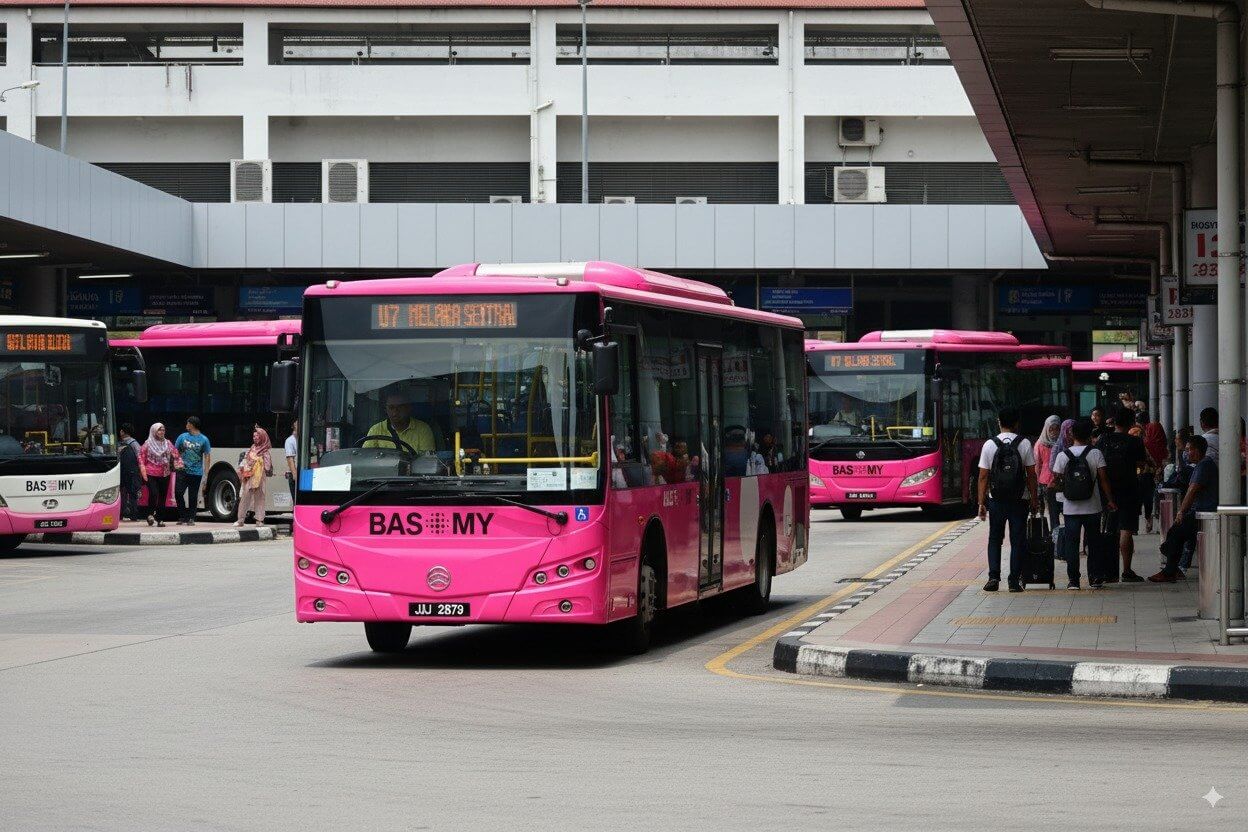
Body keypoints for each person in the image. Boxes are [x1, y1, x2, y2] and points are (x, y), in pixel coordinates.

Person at [976, 407, 1039, 593]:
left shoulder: (989, 444)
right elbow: (1031, 475)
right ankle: (1014, 581)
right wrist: (1034, 499)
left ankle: (994, 577)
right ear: (1016, 423)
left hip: (996, 499)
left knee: (995, 538)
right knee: (1018, 540)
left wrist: (981, 503)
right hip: (1020, 499)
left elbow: (983, 476)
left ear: (999, 422)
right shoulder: (1024, 443)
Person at [1051, 418, 1117, 589]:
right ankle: (1094, 577)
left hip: (1070, 508)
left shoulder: (1062, 455)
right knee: (1094, 543)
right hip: (1093, 507)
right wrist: (1110, 501)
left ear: (1072, 434)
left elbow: (1055, 481)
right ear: (1090, 434)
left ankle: (1073, 580)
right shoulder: (1096, 454)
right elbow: (1104, 480)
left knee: (1072, 544)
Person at [1150, 435, 1218, 582]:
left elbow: (1192, 490)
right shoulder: (1203, 464)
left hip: (1205, 513)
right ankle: (1172, 565)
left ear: (1197, 450)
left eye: (1188, 450)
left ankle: (1170, 570)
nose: (1186, 453)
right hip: (1202, 511)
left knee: (1176, 532)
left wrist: (1181, 512)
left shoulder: (1204, 465)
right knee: (1176, 533)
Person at [1098, 406, 1147, 581]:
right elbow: (1142, 464)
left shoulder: (1103, 439)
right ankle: (1127, 571)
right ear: (1131, 422)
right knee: (1126, 529)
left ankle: (1108, 571)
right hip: (1129, 488)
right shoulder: (1134, 441)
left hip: (1107, 490)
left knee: (1109, 531)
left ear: (1114, 421)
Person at [364, 390, 437, 453]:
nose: (395, 411)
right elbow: (367, 458)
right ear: (386, 410)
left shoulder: (423, 430)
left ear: (408, 408)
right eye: (391, 407)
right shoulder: (376, 430)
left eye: (400, 407)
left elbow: (427, 461)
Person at [140, 423, 181, 528]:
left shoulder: (167, 443)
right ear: (154, 431)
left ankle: (160, 519)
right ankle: (150, 514)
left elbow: (175, 454)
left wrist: (179, 463)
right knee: (153, 493)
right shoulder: (147, 444)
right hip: (150, 473)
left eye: (163, 430)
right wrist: (143, 471)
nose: (162, 432)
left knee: (163, 496)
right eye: (159, 430)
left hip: (164, 473)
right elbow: (141, 457)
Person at [173, 417, 211, 526]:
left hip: (196, 472)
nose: (186, 425)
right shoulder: (182, 437)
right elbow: (175, 451)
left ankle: (191, 518)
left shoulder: (204, 439)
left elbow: (207, 456)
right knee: (178, 492)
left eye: (188, 423)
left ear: (192, 425)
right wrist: (176, 463)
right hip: (182, 470)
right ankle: (183, 515)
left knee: (193, 496)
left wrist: (206, 474)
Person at [236, 427, 273, 527]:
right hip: (249, 476)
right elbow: (245, 460)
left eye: (257, 436)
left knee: (260, 498)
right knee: (245, 497)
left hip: (260, 477)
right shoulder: (252, 448)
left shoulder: (265, 451)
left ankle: (259, 520)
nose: (255, 438)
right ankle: (240, 519)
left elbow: (268, 466)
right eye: (254, 436)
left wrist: (259, 462)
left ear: (262, 437)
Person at [1139, 412, 1167, 534]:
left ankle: (1148, 520)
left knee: (1145, 497)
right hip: (1159, 472)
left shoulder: (1145, 442)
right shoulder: (1163, 446)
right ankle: (1158, 521)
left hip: (1145, 473)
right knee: (1154, 498)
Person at [1035, 415, 1061, 530]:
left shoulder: (1063, 443)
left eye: (1057, 428)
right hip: (1046, 482)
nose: (1054, 432)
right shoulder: (1040, 444)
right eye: (1051, 428)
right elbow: (1037, 465)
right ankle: (1055, 536)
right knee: (1053, 511)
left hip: (1062, 480)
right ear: (1046, 428)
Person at [117, 423, 142, 522]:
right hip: (132, 472)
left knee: (122, 494)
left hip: (121, 472)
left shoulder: (123, 444)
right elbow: (140, 458)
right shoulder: (135, 444)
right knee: (132, 494)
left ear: (122, 432)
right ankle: (134, 516)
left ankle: (120, 515)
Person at [284, 419, 299, 507]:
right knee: (296, 501)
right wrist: (295, 475)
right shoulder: (290, 440)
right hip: (295, 475)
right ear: (294, 427)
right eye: (297, 424)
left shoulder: (305, 438)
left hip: (303, 472)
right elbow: (290, 458)